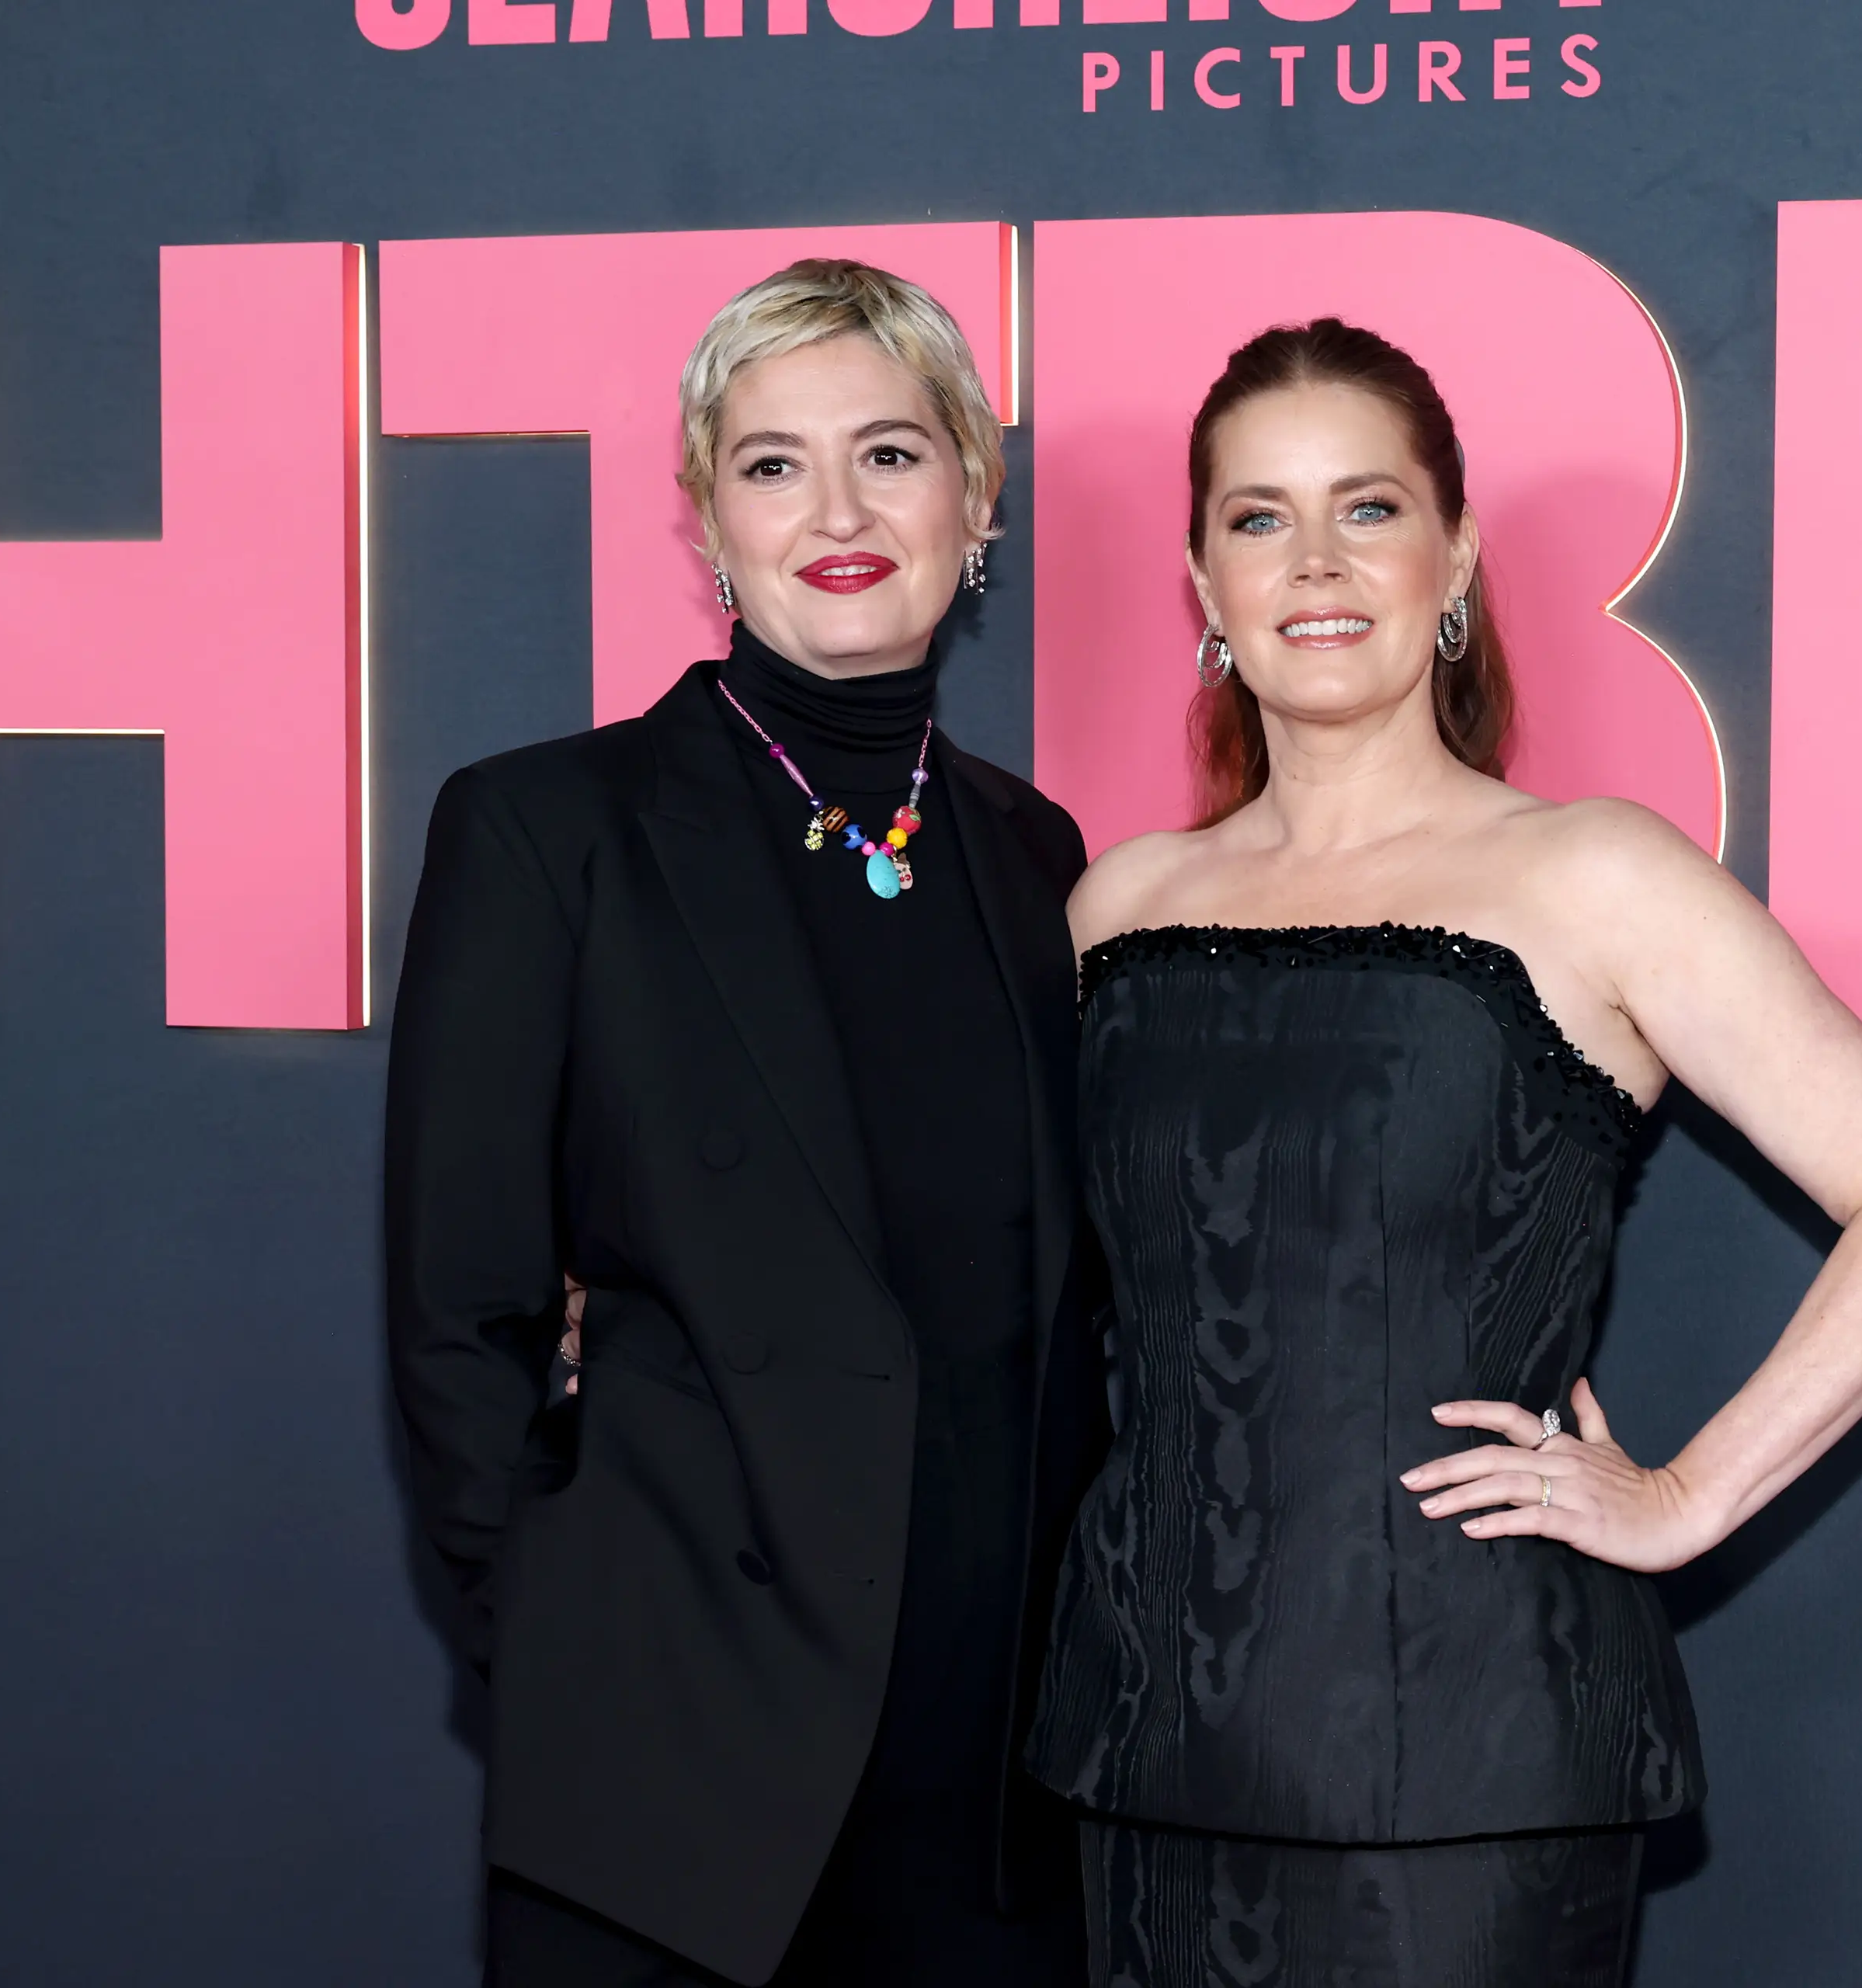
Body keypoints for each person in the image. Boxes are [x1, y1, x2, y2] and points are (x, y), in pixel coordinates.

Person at [1025, 319, 1862, 1987]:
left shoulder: (1592, 875)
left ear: (1454, 552)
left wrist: (1687, 1492)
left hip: (1477, 1743)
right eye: (1259, 518)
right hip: (1149, 1743)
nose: (1315, 562)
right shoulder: (1119, 901)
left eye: (1370, 507)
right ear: (1201, 572)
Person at [385, 259, 1099, 1988]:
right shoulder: (549, 831)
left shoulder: (1037, 855)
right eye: (774, 464)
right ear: (705, 512)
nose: (839, 511)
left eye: (892, 452)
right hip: (675, 1773)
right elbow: (454, 1314)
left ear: (974, 494)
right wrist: (571, 1652)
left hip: (989, 1781)